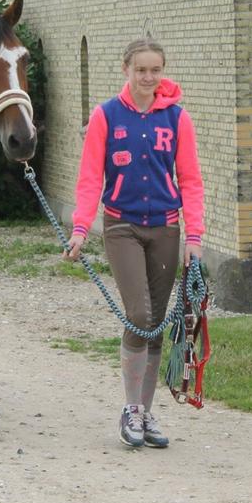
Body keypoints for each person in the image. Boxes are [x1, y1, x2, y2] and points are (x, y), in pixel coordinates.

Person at [64, 37, 205, 448]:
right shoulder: (106, 116)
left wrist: (194, 237)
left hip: (166, 227)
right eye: (140, 70)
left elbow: (191, 180)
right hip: (122, 226)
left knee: (157, 323)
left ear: (162, 71)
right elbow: (91, 178)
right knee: (139, 315)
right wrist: (79, 228)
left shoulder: (177, 119)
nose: (148, 77)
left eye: (155, 70)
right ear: (126, 69)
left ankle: (145, 412)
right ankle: (130, 408)